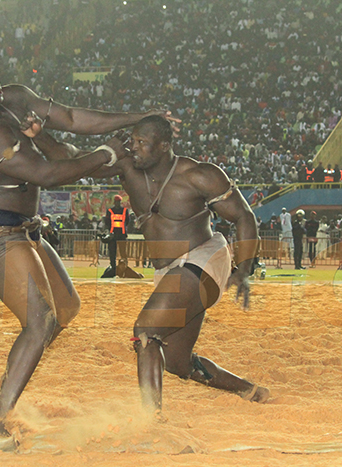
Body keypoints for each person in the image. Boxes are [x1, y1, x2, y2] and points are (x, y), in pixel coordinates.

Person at [0, 55, 172, 436]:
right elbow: (46, 175)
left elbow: (71, 118)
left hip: (22, 228)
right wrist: (107, 153)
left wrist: (135, 118)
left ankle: (15, 376)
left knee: (66, 307)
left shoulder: (13, 98)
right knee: (40, 322)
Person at [90, 115, 268, 416]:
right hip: (170, 271)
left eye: (142, 143)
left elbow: (243, 216)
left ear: (164, 146)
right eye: (132, 141)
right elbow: (66, 162)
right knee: (177, 363)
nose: (133, 148)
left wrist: (243, 269)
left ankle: (151, 422)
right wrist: (38, 134)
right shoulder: (128, 169)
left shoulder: (198, 174)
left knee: (146, 332)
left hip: (204, 258)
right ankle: (250, 390)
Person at [102, 194, 129, 277]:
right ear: (114, 202)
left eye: (119, 202)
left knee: (123, 252)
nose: (117, 203)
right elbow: (107, 222)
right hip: (113, 235)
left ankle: (124, 267)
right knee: (112, 252)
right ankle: (113, 267)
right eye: (116, 202)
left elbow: (127, 221)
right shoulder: (110, 211)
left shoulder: (125, 210)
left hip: (121, 235)